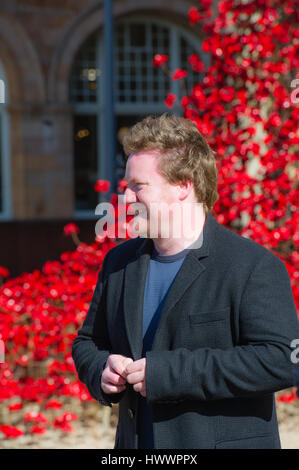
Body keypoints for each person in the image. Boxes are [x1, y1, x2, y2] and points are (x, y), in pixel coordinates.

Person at [72, 113, 299, 449]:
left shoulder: (252, 266)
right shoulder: (119, 264)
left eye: (138, 186)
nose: (126, 198)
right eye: (126, 186)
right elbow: (87, 342)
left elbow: (283, 359)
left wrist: (167, 374)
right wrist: (101, 370)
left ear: (183, 186)